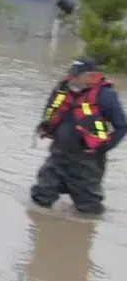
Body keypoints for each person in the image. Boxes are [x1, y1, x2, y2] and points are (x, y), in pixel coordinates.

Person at [30, 57, 126, 215]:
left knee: (88, 209)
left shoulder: (105, 96)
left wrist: (103, 147)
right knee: (41, 196)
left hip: (87, 161)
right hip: (58, 154)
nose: (72, 78)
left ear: (90, 76)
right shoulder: (62, 89)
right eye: (72, 74)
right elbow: (50, 109)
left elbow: (121, 127)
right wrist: (45, 126)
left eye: (77, 75)